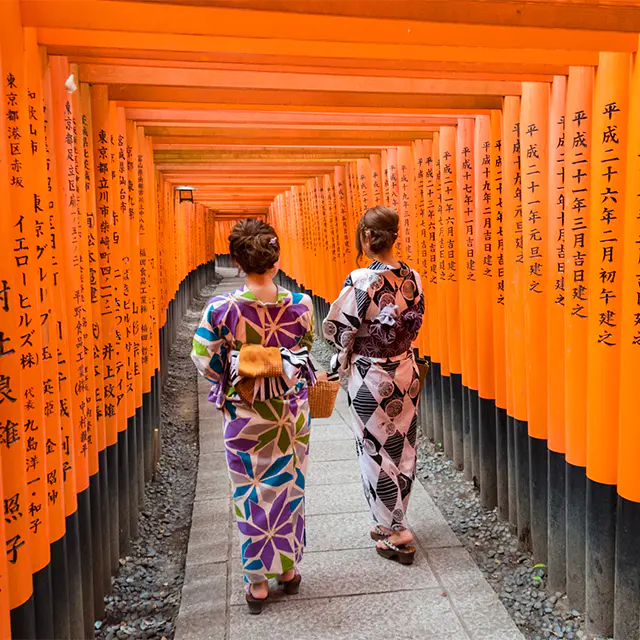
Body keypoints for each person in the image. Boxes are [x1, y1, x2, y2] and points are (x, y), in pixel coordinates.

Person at [191, 218, 316, 614]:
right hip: (288, 412)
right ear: (276, 260)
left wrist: (234, 374)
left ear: (237, 262)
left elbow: (203, 358)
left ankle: (256, 582)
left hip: (243, 414)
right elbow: (307, 347)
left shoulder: (221, 309)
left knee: (250, 491)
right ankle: (288, 571)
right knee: (288, 487)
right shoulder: (300, 305)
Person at [323, 206, 424, 565]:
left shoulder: (361, 279)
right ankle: (393, 520)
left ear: (366, 237)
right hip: (406, 371)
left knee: (373, 450)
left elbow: (339, 328)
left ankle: (394, 531)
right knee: (402, 446)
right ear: (395, 235)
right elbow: (414, 324)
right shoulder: (412, 277)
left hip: (371, 375)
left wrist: (337, 361)